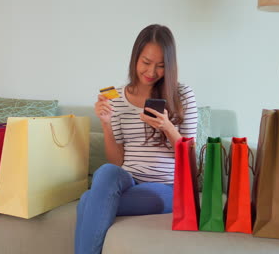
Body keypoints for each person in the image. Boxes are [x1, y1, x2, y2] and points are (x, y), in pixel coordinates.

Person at [74, 24, 198, 254]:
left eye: (161, 65)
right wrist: (106, 123)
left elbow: (191, 160)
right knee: (105, 172)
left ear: (169, 66)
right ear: (135, 58)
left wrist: (168, 127)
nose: (152, 71)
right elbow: (116, 162)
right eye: (146, 62)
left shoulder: (182, 95)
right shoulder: (117, 98)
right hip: (129, 180)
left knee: (87, 201)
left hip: (168, 187)